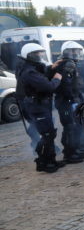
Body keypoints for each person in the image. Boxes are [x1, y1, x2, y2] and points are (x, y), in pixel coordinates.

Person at [18, 43, 64, 173]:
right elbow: (47, 86)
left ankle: (51, 160)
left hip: (41, 104)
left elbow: (43, 75)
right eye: (36, 54)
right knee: (47, 134)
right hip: (37, 105)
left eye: (40, 53)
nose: (39, 56)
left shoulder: (33, 67)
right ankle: (43, 163)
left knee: (49, 133)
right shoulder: (29, 71)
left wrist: (51, 68)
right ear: (28, 56)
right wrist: (57, 79)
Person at [53, 41, 84, 164]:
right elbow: (66, 85)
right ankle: (69, 154)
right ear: (66, 52)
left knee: (75, 126)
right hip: (66, 101)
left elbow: (75, 83)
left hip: (72, 99)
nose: (75, 54)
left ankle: (75, 149)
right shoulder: (67, 64)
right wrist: (72, 98)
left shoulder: (72, 63)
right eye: (72, 51)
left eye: (77, 51)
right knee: (69, 127)